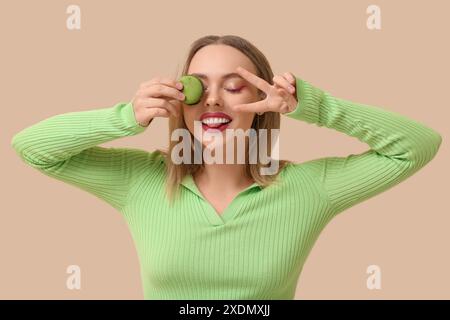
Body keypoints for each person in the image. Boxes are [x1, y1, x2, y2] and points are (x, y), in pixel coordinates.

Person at [11, 35, 442, 300]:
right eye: (199, 86)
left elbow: (417, 146)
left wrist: (312, 105)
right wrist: (125, 116)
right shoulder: (141, 181)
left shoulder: (309, 188)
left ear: (260, 105)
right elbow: (32, 147)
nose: (214, 100)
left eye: (234, 87)